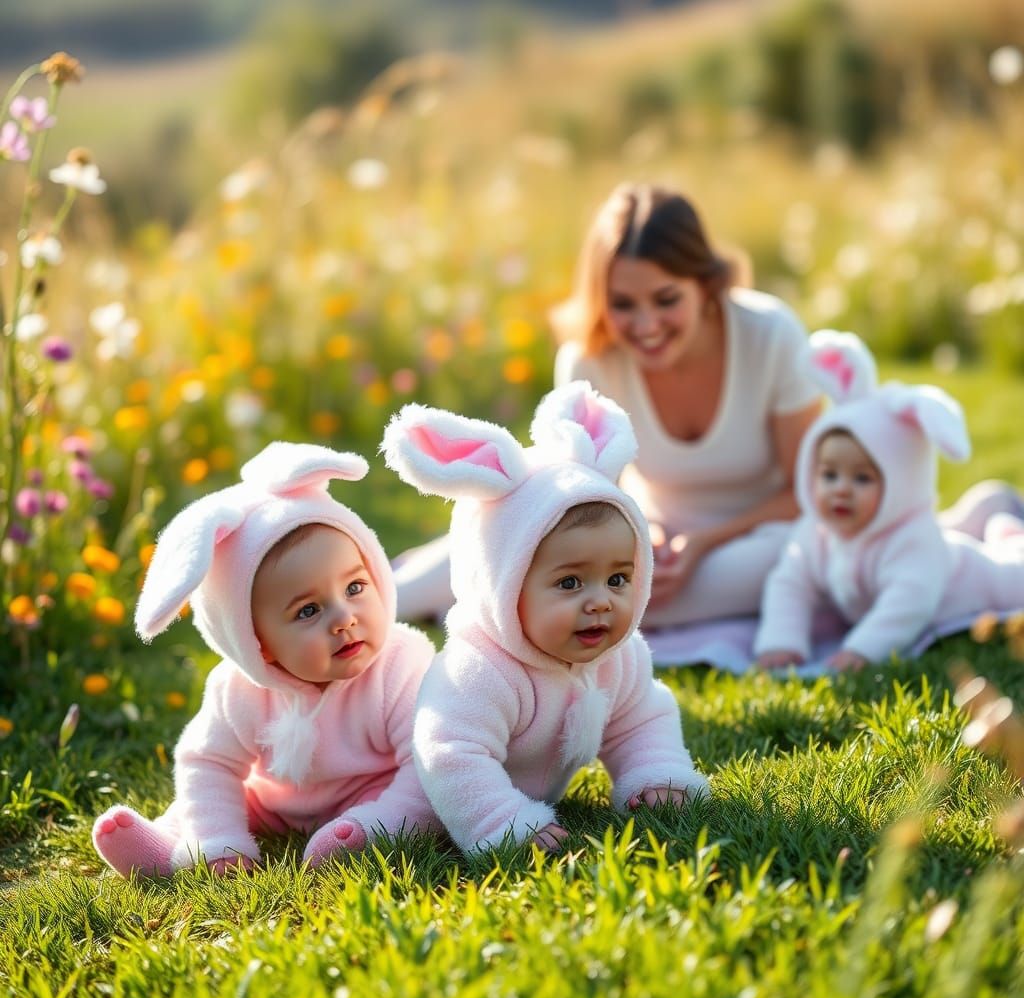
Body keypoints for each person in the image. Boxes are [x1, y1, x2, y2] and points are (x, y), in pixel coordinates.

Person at [392, 182, 823, 626]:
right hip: (643, 534)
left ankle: (485, 603)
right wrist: (641, 537)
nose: (646, 325)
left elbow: (809, 489)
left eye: (666, 299)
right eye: (622, 304)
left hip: (761, 535)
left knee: (780, 565)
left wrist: (705, 542)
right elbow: (583, 498)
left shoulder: (770, 335)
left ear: (707, 284)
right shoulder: (588, 359)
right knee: (521, 538)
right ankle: (391, 597)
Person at [382, 381, 708, 854]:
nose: (600, 602)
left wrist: (654, 772)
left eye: (618, 579)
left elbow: (639, 718)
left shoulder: (620, 656)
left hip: (524, 785)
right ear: (503, 582)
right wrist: (502, 821)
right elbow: (449, 754)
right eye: (571, 583)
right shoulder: (478, 669)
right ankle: (364, 825)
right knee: (404, 817)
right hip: (430, 784)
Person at [92, 442, 438, 878]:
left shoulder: (401, 665)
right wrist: (219, 837)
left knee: (418, 788)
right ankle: (177, 849)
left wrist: (379, 820)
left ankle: (367, 835)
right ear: (257, 643)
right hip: (273, 803)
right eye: (308, 611)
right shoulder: (238, 689)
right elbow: (208, 761)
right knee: (209, 800)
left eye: (354, 588)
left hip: (372, 794)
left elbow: (428, 763)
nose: (344, 619)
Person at [755, 331, 1024, 672]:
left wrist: (862, 650)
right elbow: (789, 583)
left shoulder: (913, 539)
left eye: (862, 478)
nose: (841, 489)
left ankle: (1009, 537)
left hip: (969, 580)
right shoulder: (815, 533)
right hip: (926, 572)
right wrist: (781, 640)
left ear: (900, 483)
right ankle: (1000, 524)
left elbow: (908, 604)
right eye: (829, 475)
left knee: (1015, 578)